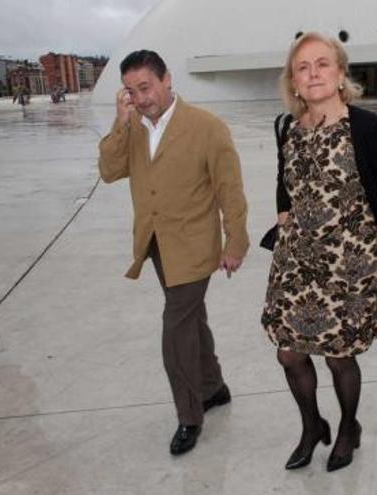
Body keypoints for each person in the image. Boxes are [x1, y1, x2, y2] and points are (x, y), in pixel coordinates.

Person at [260, 32, 377, 472]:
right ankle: (311, 426)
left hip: (349, 261)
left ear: (341, 74)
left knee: (340, 355)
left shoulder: (364, 126)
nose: (313, 73)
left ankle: (348, 427)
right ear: (294, 81)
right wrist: (285, 222)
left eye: (322, 64)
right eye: (303, 67)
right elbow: (283, 184)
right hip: (296, 262)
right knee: (289, 352)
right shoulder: (286, 126)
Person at [98, 50, 249, 456]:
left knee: (175, 330)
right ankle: (213, 387)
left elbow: (229, 190)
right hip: (157, 244)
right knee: (191, 317)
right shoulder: (131, 127)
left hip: (195, 247)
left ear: (167, 80)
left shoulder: (206, 127)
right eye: (131, 91)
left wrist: (235, 242)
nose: (141, 98)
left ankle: (189, 416)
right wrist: (120, 121)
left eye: (145, 87)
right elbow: (109, 171)